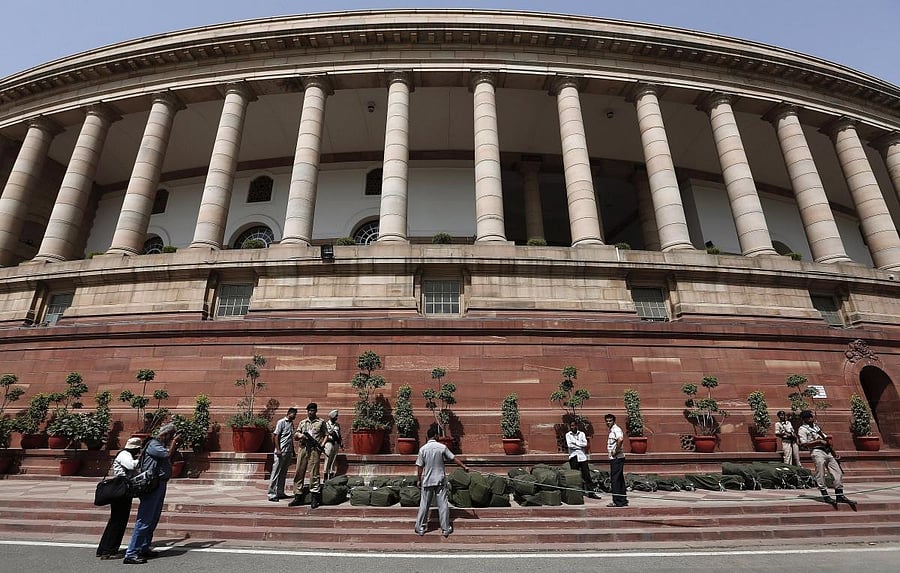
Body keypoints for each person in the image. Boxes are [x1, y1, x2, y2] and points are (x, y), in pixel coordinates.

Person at [123, 423, 181, 564]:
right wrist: (174, 443)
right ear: (166, 435)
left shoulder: (158, 445)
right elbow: (167, 455)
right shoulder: (154, 444)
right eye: (171, 435)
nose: (172, 438)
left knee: (153, 518)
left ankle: (143, 547)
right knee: (145, 518)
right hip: (152, 484)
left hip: (159, 483)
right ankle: (131, 553)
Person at [415, 425, 469, 537]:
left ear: (428, 436)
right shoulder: (442, 447)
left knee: (424, 505)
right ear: (435, 435)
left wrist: (418, 479)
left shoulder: (423, 449)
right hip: (440, 480)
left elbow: (420, 466)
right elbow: (453, 458)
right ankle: (445, 528)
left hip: (428, 480)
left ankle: (420, 527)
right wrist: (464, 466)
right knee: (443, 505)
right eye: (438, 435)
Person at [96, 437, 142, 559]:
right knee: (118, 521)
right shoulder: (124, 454)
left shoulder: (126, 454)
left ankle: (104, 549)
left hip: (123, 490)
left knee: (116, 520)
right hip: (121, 490)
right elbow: (131, 466)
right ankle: (109, 550)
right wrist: (143, 460)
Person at [797, 410, 853, 505]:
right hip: (817, 451)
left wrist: (834, 454)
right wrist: (818, 442)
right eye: (810, 417)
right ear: (805, 419)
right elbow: (803, 444)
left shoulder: (816, 427)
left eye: (811, 417)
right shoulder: (802, 429)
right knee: (820, 472)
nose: (812, 418)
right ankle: (825, 494)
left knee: (837, 472)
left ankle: (839, 495)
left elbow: (826, 440)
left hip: (827, 451)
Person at [288, 402, 326, 509]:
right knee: (299, 471)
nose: (310, 412)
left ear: (316, 411)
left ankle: (314, 497)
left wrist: (321, 446)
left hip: (314, 450)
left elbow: (326, 435)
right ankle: (297, 496)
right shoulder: (303, 422)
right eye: (309, 410)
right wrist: (300, 435)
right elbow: (295, 435)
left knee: (314, 473)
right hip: (303, 448)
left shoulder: (321, 422)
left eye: (313, 410)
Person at [268, 407, 297, 502]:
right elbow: (276, 435)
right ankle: (272, 494)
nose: (295, 416)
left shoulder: (291, 424)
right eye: (294, 414)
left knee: (283, 472)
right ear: (289, 413)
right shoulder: (281, 422)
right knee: (276, 472)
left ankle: (280, 492)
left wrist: (293, 451)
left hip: (288, 451)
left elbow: (290, 438)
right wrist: (278, 449)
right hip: (280, 451)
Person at [565, 419, 599, 498]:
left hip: (582, 457)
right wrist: (579, 445)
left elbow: (585, 444)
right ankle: (577, 493)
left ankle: (591, 493)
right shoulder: (568, 435)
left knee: (587, 475)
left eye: (573, 425)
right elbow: (570, 445)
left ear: (576, 426)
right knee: (575, 476)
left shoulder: (582, 434)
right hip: (573, 457)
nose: (572, 427)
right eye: (571, 426)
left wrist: (576, 443)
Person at [605, 414, 628, 507]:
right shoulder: (612, 430)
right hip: (618, 458)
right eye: (607, 421)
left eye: (610, 420)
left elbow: (620, 439)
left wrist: (615, 451)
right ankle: (622, 499)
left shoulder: (616, 429)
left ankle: (617, 501)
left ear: (614, 421)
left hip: (617, 458)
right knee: (619, 479)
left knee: (615, 479)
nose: (608, 422)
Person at [323, 409, 342, 481]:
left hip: (336, 443)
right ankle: (325, 475)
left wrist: (341, 443)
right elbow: (324, 435)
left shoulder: (337, 425)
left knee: (333, 460)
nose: (336, 418)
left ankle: (331, 474)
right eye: (335, 416)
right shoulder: (326, 424)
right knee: (327, 459)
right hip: (329, 443)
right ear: (331, 417)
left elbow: (339, 434)